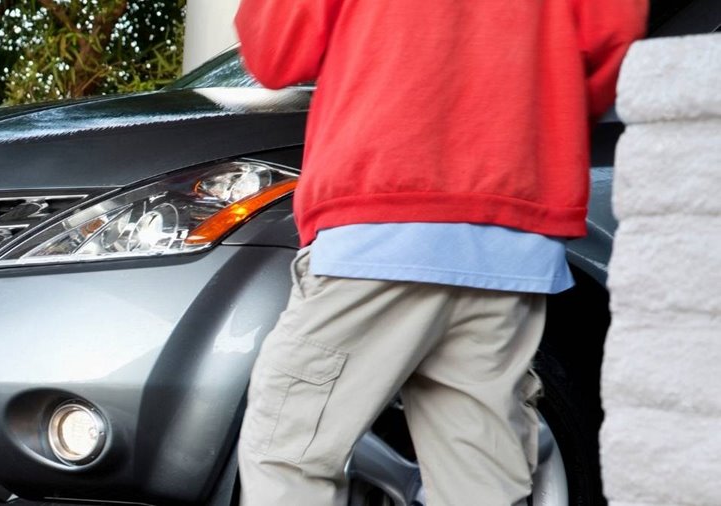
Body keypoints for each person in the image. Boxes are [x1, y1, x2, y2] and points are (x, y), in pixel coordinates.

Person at [232, 0, 647, 504]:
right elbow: (612, 34)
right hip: (513, 225)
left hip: (384, 209)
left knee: (288, 451)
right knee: (482, 480)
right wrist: (532, 123)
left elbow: (277, 53)